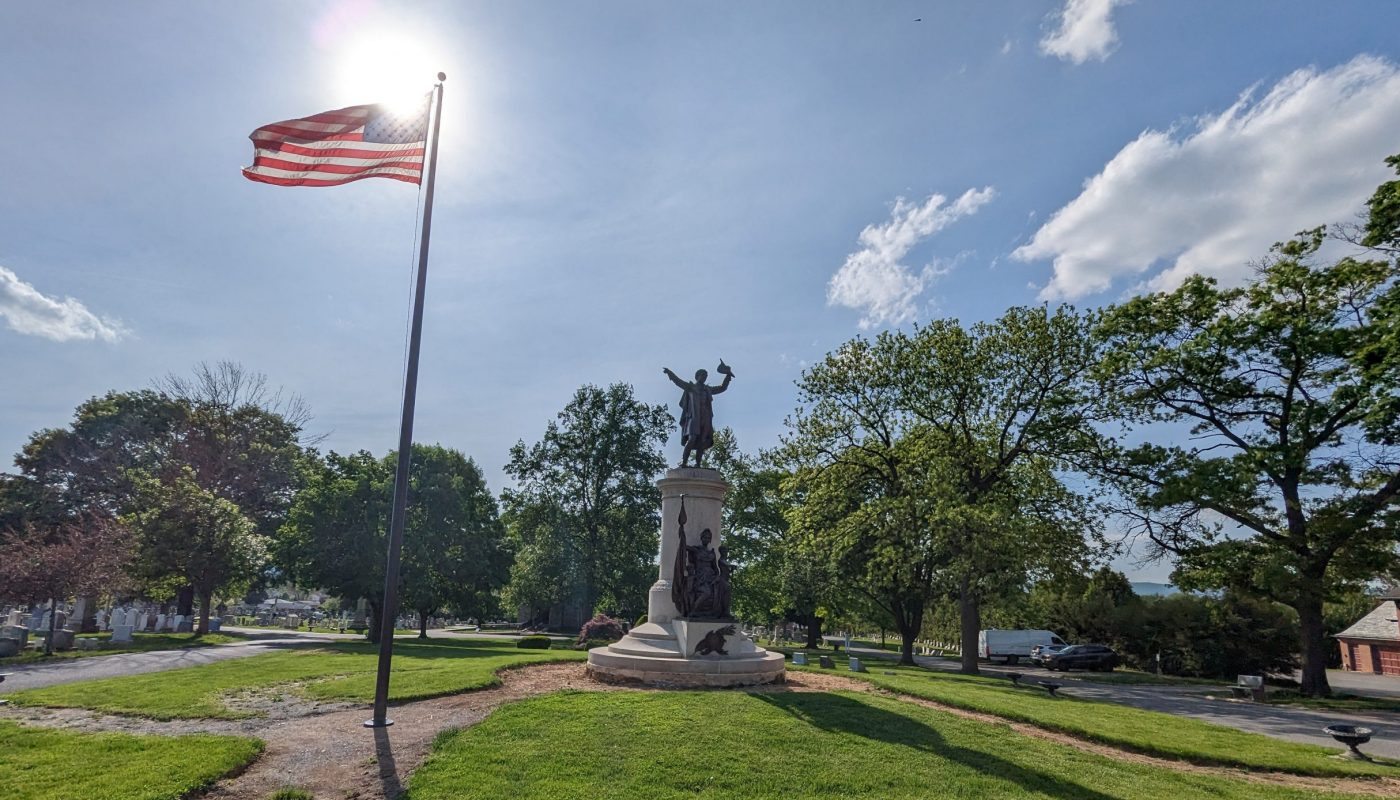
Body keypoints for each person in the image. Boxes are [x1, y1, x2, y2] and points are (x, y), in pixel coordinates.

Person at [662, 362, 733, 467]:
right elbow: (678, 382)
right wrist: (670, 373)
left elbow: (722, 388)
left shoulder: (707, 389)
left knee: (702, 441)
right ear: (697, 376)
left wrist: (728, 376)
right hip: (694, 417)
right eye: (702, 375)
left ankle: (698, 464)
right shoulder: (691, 387)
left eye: (706, 376)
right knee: (692, 439)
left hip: (705, 416)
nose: (704, 377)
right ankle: (684, 462)